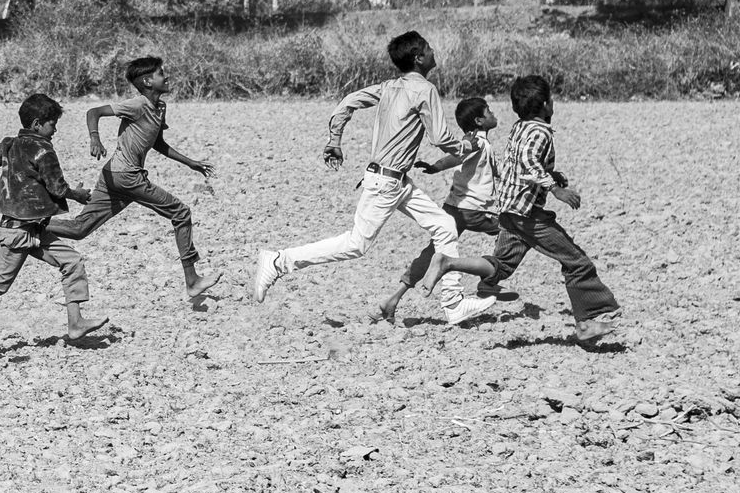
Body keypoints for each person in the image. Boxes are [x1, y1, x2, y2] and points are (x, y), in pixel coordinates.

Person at [250, 31, 498, 327]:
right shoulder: (425, 90)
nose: (434, 52)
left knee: (445, 226)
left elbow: (347, 102)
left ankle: (454, 304)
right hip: (386, 183)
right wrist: (465, 146)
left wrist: (335, 139)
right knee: (356, 244)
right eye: (429, 49)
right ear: (419, 58)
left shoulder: (389, 86)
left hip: (397, 182)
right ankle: (279, 261)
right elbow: (440, 138)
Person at [436, 75, 624, 347]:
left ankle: (449, 262)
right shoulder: (540, 132)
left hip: (510, 213)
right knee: (576, 262)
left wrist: (551, 174)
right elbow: (527, 162)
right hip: (529, 216)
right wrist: (554, 189)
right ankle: (588, 322)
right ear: (547, 104)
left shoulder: (520, 127)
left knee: (500, 265)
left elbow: (520, 162)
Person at [46, 57, 223, 307]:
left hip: (113, 177)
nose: (166, 77)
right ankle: (192, 280)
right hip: (128, 177)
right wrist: (95, 138)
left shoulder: (159, 107)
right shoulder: (137, 105)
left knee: (80, 229)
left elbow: (157, 143)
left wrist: (190, 162)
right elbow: (93, 111)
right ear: (149, 81)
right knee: (181, 213)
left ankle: (30, 224)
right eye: (162, 74)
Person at [0, 92, 109, 344]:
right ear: (37, 124)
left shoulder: (8, 144)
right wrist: (77, 194)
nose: (55, 130)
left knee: (72, 261)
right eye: (52, 124)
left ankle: (75, 323)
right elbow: (57, 187)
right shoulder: (43, 150)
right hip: (19, 232)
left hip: (33, 227)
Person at [375, 96, 503, 324]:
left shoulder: (480, 142)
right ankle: (489, 281)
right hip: (472, 210)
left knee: (431, 254)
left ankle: (393, 298)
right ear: (479, 120)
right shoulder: (477, 141)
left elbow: (492, 169)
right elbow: (457, 156)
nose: (493, 114)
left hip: (454, 207)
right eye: (488, 111)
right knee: (510, 231)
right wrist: (436, 167)